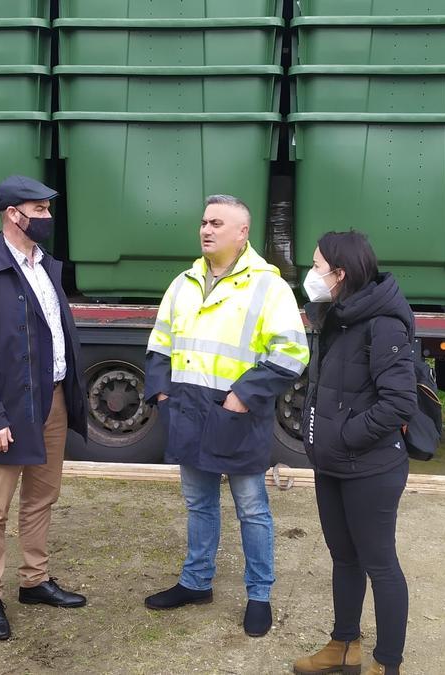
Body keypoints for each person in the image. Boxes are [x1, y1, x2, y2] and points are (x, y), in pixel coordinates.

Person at [142, 194, 310, 638]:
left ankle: (260, 594)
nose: (206, 229)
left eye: (216, 222)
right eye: (203, 221)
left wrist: (242, 396)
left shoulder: (268, 286)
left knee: (252, 509)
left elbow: (292, 353)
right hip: (188, 411)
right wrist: (160, 393)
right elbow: (160, 342)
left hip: (236, 415)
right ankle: (196, 583)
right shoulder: (184, 282)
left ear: (242, 233)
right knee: (199, 503)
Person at [0, 175, 90, 642]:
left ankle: (34, 580)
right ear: (14, 214)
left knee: (42, 496)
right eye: (40, 210)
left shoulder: (47, 266)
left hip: (51, 400)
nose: (48, 218)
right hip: (8, 410)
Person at [292, 231, 417, 675]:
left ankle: (389, 666)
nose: (310, 275)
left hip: (371, 468)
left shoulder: (384, 324)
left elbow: (399, 403)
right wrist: (317, 437)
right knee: (343, 558)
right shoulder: (335, 316)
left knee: (379, 565)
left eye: (317, 266)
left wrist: (343, 436)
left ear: (340, 274)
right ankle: (344, 647)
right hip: (332, 465)